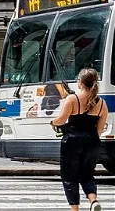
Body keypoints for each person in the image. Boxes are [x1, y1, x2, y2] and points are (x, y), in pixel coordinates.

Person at [53, 67, 108, 211]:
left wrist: (53, 123)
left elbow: (61, 120)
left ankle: (75, 209)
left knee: (69, 176)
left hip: (72, 140)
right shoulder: (102, 103)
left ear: (81, 83)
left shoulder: (73, 99)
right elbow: (100, 129)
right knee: (87, 174)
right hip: (92, 141)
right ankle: (93, 200)